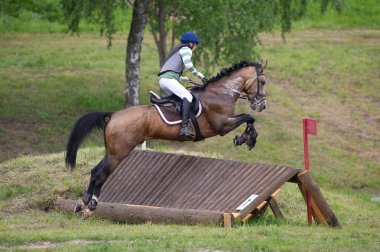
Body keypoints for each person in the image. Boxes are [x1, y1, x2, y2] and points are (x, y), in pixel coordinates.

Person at [157, 31, 206, 139]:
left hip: (165, 80)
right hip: (168, 81)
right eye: (196, 44)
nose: (196, 47)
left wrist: (182, 78)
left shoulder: (179, 49)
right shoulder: (186, 49)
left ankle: (164, 104)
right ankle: (184, 128)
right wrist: (200, 75)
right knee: (188, 96)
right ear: (191, 44)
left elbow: (170, 70)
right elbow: (189, 65)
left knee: (180, 98)